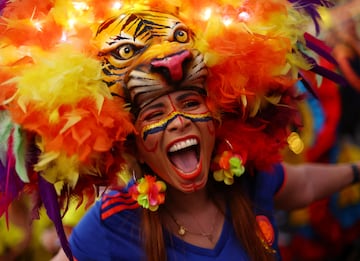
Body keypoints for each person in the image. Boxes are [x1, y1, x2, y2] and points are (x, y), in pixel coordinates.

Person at [0, 1, 359, 261]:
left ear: (216, 120)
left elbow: (304, 184)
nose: (179, 121)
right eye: (155, 112)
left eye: (190, 104)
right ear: (134, 144)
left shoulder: (246, 180)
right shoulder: (113, 221)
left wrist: (356, 172)